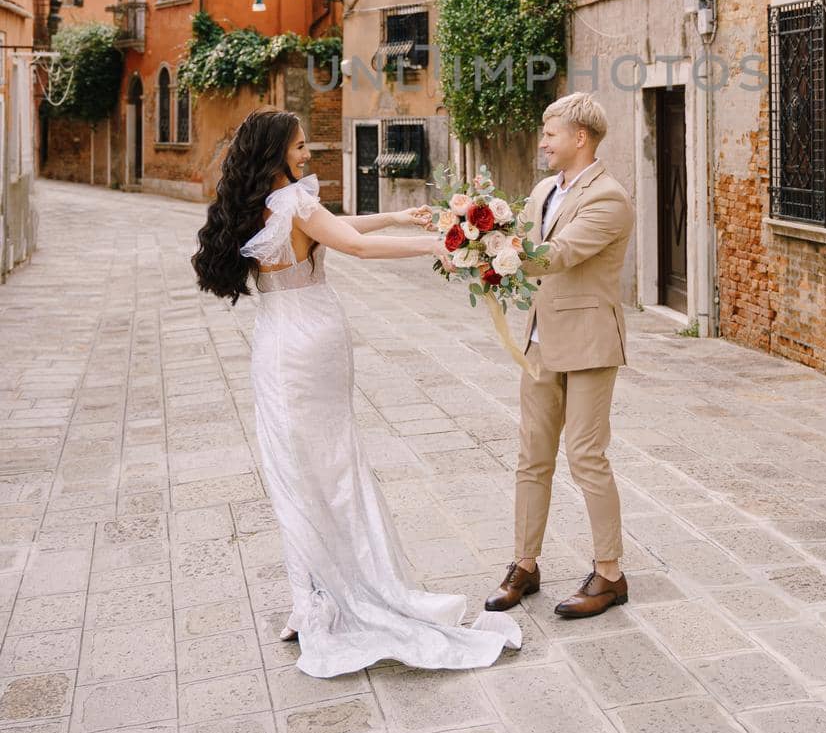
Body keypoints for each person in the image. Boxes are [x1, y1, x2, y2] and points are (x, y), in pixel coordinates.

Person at [191, 108, 520, 676]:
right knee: (333, 468)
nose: (307, 154)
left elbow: (339, 227)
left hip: (275, 342)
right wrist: (438, 246)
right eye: (298, 146)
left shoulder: (257, 205)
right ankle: (331, 596)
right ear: (274, 152)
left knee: (294, 473)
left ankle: (308, 601)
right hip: (313, 340)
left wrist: (395, 215)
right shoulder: (295, 202)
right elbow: (352, 246)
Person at [484, 92, 635, 620]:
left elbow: (561, 253)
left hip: (590, 343)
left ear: (580, 138)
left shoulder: (609, 197)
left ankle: (610, 574)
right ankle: (525, 565)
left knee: (587, 456)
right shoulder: (544, 188)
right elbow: (522, 236)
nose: (542, 142)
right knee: (532, 454)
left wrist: (498, 256)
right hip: (541, 341)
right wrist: (473, 237)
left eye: (550, 133)